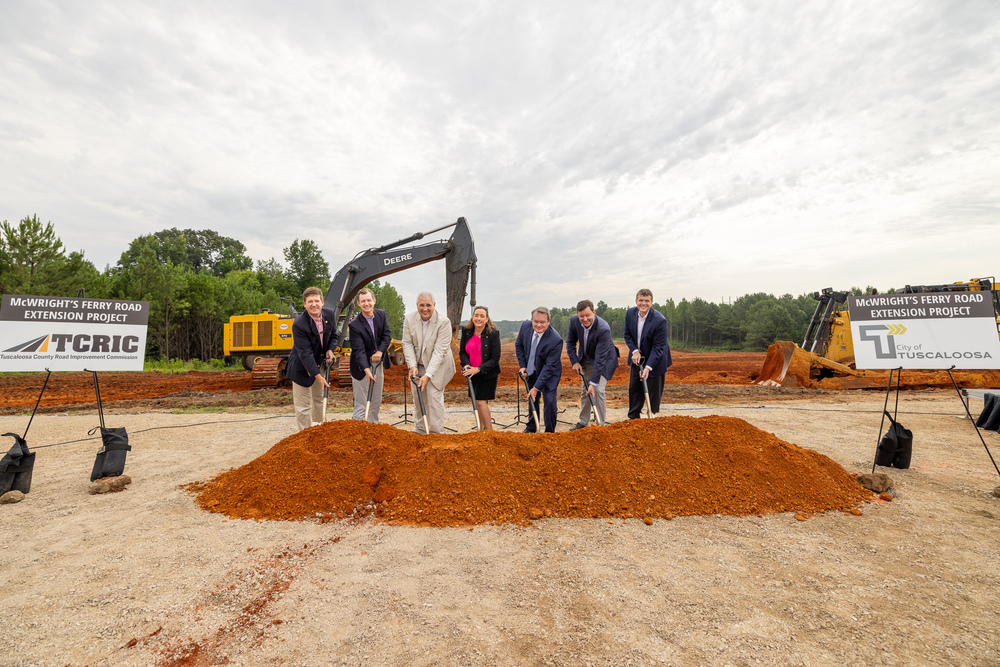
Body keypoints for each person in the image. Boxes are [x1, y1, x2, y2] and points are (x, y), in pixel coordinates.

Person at [401, 291, 456, 434]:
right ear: (417, 305)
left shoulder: (444, 322)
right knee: (419, 398)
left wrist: (428, 375)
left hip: (439, 366)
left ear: (434, 305)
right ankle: (420, 430)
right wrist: (412, 366)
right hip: (418, 365)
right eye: (421, 305)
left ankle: (436, 434)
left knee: (433, 398)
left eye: (428, 305)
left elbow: (439, 352)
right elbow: (407, 343)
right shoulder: (409, 319)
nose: (425, 309)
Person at [285, 287, 336, 431]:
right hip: (301, 367)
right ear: (304, 304)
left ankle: (319, 432)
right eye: (310, 302)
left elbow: (334, 336)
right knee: (304, 406)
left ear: (322, 302)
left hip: (319, 363)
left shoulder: (330, 315)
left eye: (316, 301)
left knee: (319, 399)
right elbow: (305, 354)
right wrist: (319, 377)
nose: (314, 304)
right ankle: (305, 436)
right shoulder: (299, 324)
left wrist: (330, 350)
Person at [566, 299, 618, 429]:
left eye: (588, 315)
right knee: (586, 390)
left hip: (605, 360)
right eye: (581, 316)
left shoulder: (603, 328)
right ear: (577, 315)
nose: (584, 319)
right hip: (586, 359)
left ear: (594, 312)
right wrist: (575, 362)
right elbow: (570, 342)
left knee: (598, 390)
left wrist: (593, 383)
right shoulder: (574, 321)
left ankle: (600, 424)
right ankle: (584, 422)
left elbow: (600, 359)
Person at [623, 288, 672, 419]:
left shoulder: (659, 320)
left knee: (653, 390)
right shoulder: (630, 314)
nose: (643, 303)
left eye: (647, 301)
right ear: (636, 301)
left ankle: (652, 415)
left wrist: (648, 367)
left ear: (651, 302)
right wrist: (634, 351)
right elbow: (627, 335)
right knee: (635, 388)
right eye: (641, 300)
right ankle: (633, 417)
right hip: (636, 357)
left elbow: (658, 347)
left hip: (656, 358)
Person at [514, 306, 564, 433]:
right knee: (532, 397)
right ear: (531, 320)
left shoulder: (555, 340)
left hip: (549, 373)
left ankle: (549, 431)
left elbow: (549, 367)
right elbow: (518, 344)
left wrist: (537, 388)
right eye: (536, 321)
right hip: (532, 370)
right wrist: (523, 365)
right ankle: (531, 427)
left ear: (549, 321)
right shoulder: (525, 327)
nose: (538, 325)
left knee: (549, 400)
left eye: (542, 322)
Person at [348, 287, 393, 422]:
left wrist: (380, 351)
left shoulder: (381, 315)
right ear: (359, 304)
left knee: (375, 400)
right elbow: (359, 350)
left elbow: (387, 335)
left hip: (377, 363)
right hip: (360, 367)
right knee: (361, 403)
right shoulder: (354, 325)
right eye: (363, 301)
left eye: (369, 300)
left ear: (374, 300)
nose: (366, 304)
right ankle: (359, 430)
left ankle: (373, 428)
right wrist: (367, 371)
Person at [459, 305, 502, 431]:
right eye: (476, 315)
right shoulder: (466, 331)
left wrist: (477, 369)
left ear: (487, 319)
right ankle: (482, 430)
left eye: (482, 316)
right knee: (477, 402)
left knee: (481, 402)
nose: (479, 318)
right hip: (471, 373)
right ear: (472, 317)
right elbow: (462, 352)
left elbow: (495, 358)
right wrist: (466, 364)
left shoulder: (493, 333)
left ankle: (489, 431)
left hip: (487, 373)